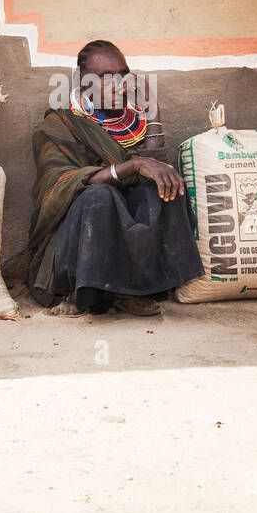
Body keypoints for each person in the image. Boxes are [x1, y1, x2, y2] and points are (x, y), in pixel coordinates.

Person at [27, 40, 203, 316]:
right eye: (105, 78)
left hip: (124, 221)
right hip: (77, 232)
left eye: (122, 75)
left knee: (160, 186)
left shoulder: (135, 119)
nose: (117, 84)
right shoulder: (59, 124)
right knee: (100, 196)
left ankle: (132, 291)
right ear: (84, 84)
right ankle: (81, 292)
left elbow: (155, 168)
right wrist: (133, 166)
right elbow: (61, 184)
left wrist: (153, 109)